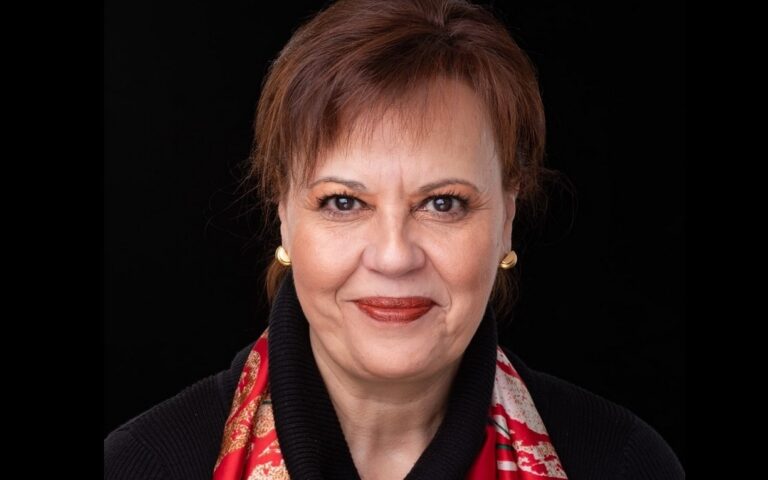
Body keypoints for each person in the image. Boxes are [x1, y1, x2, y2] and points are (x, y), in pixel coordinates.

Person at [104, 0, 684, 478]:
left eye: (442, 203)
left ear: (507, 217)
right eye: (344, 202)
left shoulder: (622, 463)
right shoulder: (141, 466)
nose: (393, 256)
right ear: (283, 215)